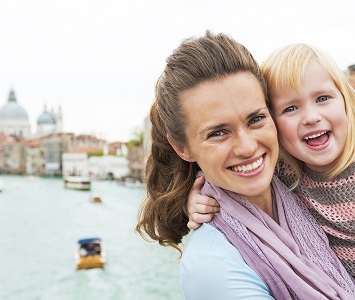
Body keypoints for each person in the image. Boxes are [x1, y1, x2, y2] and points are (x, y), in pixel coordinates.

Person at [135, 31, 355, 299]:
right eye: (218, 132)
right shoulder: (212, 267)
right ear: (181, 148)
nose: (248, 147)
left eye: (256, 119)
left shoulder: (290, 174)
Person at [186, 43, 355, 277]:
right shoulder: (282, 172)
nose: (311, 117)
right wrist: (199, 198)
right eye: (291, 108)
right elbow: (223, 175)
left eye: (323, 98)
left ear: (346, 100)